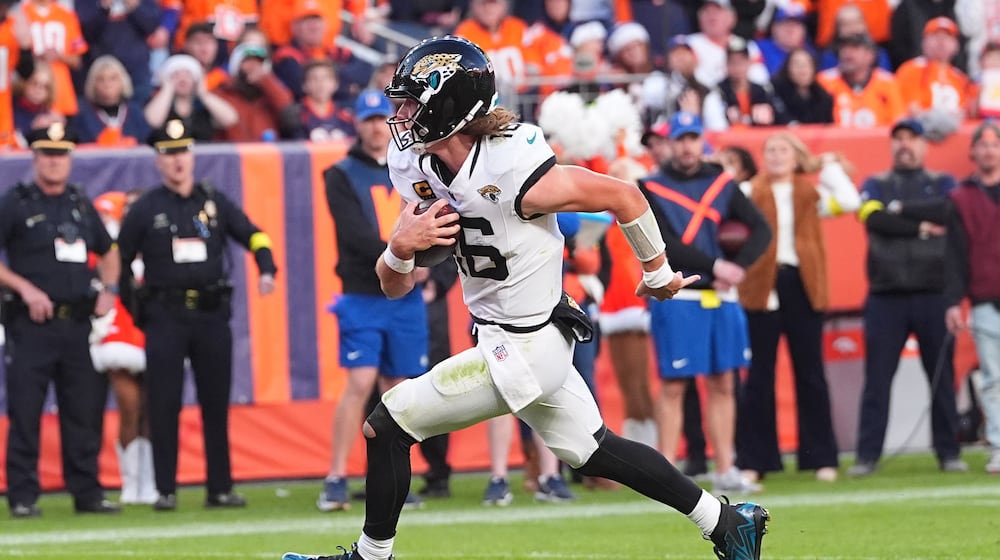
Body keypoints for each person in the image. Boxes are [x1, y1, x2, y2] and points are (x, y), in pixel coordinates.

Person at [282, 35, 769, 560]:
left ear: (448, 105)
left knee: (388, 423)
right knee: (593, 450)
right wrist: (399, 250)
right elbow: (394, 284)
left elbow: (625, 196)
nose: (397, 115)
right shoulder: (418, 167)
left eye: (409, 102)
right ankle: (727, 524)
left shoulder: (514, 168)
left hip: (528, 345)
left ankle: (371, 557)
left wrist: (656, 271)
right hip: (506, 336)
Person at [117, 118, 278, 511]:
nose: (178, 162)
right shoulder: (145, 208)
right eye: (170, 154)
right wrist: (139, 313)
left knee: (214, 402)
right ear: (158, 160)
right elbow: (118, 261)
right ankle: (165, 489)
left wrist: (267, 267)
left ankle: (219, 487)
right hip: (164, 315)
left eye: (183, 152)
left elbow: (254, 233)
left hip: (210, 315)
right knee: (164, 402)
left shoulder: (213, 201)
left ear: (192, 156)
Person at [637, 111, 772, 495]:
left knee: (724, 382)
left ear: (702, 142)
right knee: (674, 383)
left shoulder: (722, 183)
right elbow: (665, 242)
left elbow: (762, 229)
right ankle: (665, 469)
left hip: (722, 296)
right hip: (679, 294)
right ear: (668, 143)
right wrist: (717, 264)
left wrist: (740, 267)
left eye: (692, 138)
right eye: (679, 139)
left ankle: (726, 466)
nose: (686, 146)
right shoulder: (650, 187)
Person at [315, 90, 432, 512]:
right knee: (361, 383)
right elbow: (353, 233)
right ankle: (335, 476)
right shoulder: (341, 174)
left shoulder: (415, 169)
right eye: (366, 120)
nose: (374, 128)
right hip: (363, 293)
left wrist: (426, 266)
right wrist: (403, 257)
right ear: (357, 125)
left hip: (404, 297)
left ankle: (394, 477)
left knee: (398, 391)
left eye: (380, 119)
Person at [0, 123, 121, 518]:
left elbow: (108, 251)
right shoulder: (15, 203)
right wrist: (25, 288)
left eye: (62, 154)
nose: (55, 162)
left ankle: (87, 493)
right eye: (48, 155)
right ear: (35, 158)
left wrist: (109, 289)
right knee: (26, 410)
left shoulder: (80, 204)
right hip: (30, 325)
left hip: (76, 324)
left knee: (83, 411)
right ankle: (22, 495)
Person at [735, 132, 860, 485]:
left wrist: (829, 166)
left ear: (796, 156)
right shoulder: (750, 191)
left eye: (783, 150)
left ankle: (821, 457)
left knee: (811, 374)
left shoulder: (810, 192)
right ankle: (756, 460)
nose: (775, 156)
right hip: (762, 289)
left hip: (803, 285)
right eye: (770, 150)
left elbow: (849, 201)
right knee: (759, 377)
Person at [850, 119, 969, 477]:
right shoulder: (875, 183)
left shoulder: (944, 182)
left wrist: (898, 209)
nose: (904, 145)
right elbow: (872, 219)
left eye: (911, 139)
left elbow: (948, 212)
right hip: (886, 295)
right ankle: (867, 455)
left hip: (934, 292)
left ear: (923, 144)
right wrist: (920, 224)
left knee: (941, 378)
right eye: (898, 139)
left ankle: (948, 452)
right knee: (877, 380)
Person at [91, 189, 158, 504]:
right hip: (119, 327)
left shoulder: (155, 238)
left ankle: (150, 481)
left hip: (153, 325)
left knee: (153, 408)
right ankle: (130, 482)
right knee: (129, 406)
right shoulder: (112, 244)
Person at [944, 121, 1000, 474]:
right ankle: (998, 444)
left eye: (995, 144)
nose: (989, 151)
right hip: (985, 299)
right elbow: (955, 254)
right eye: (984, 144)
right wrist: (954, 300)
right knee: (993, 379)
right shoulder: (961, 197)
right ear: (973, 151)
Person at [143, 53, 239, 141]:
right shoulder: (159, 103)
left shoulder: (204, 108)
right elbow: (152, 121)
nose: (183, 79)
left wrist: (203, 93)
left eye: (188, 74)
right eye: (176, 74)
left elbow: (230, 119)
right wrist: (166, 90)